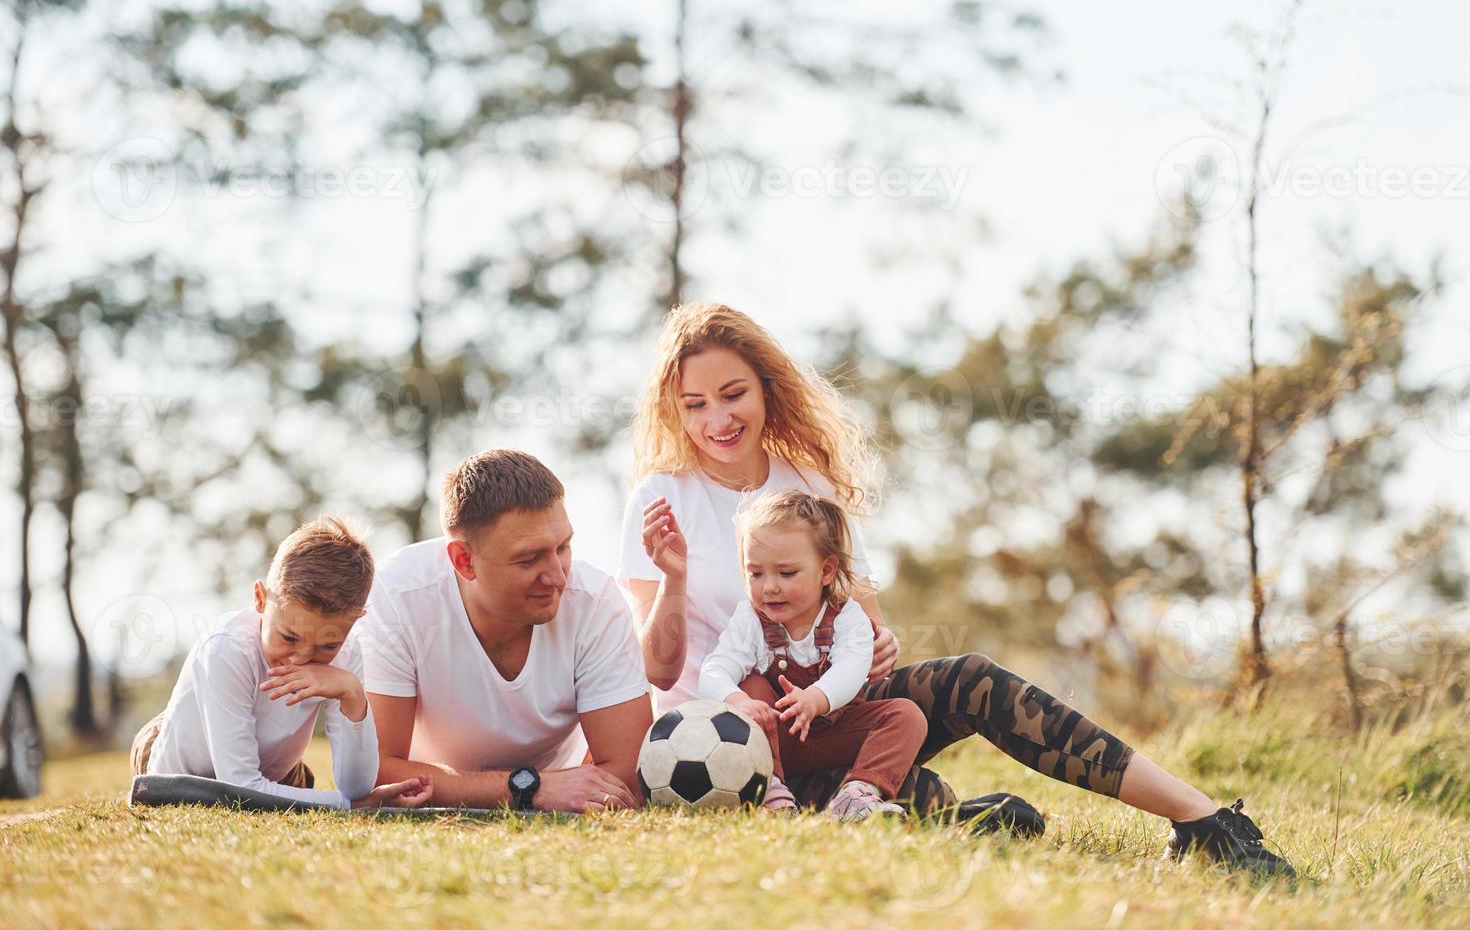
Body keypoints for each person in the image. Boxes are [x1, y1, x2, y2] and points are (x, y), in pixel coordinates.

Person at [619, 302, 1293, 874]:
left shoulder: (809, 485)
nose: (717, 420)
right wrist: (674, 581)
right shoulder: (660, 498)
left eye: (733, 394)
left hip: (825, 713)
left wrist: (877, 649)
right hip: (726, 747)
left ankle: (1202, 821)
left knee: (972, 678)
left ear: (766, 387)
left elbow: (865, 625)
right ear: (675, 412)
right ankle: (962, 813)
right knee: (907, 788)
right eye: (695, 405)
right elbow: (657, 668)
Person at [361, 449, 653, 813]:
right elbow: (374, 775)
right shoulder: (397, 596)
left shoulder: (595, 601)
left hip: (563, 784)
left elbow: (629, 775)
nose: (558, 577)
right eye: (529, 559)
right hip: (512, 786)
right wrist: (529, 789)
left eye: (563, 547)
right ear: (464, 560)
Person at [131, 517, 431, 810]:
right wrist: (348, 805)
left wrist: (352, 695)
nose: (301, 658)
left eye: (327, 645)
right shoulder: (227, 648)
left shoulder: (348, 652)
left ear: (356, 621)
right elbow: (240, 787)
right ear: (261, 599)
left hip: (275, 768)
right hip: (182, 761)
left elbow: (356, 787)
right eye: (289, 637)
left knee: (293, 784)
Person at [692, 490, 927, 819]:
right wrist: (740, 703)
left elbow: (852, 667)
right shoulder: (751, 620)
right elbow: (714, 670)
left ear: (826, 571)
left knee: (906, 715)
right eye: (755, 573)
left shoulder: (848, 617)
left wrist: (816, 698)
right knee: (753, 684)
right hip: (776, 741)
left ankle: (857, 795)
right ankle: (769, 789)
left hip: (836, 733)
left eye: (786, 573)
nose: (769, 586)